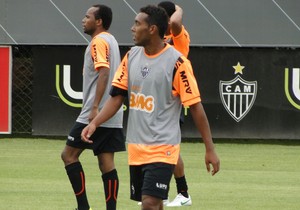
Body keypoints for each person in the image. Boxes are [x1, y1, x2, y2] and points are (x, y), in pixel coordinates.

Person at [81, 5, 220, 210]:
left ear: (152, 29)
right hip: (136, 147)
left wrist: (210, 149)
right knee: (154, 204)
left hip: (163, 146)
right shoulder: (131, 57)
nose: (132, 28)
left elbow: (196, 107)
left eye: (137, 24)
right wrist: (94, 123)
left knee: (149, 204)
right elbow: (117, 97)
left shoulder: (177, 63)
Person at [60, 5, 125, 210]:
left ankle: (83, 207)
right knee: (106, 163)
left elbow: (104, 71)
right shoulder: (112, 40)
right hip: (112, 114)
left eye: (87, 16)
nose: (83, 19)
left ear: (98, 22)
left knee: (68, 155)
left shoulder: (98, 41)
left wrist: (95, 107)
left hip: (93, 113)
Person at [158, 1, 192, 207]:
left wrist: (178, 8)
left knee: (171, 149)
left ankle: (184, 193)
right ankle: (160, 192)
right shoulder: (161, 35)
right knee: (161, 148)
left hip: (173, 100)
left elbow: (176, 21)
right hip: (157, 99)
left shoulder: (179, 34)